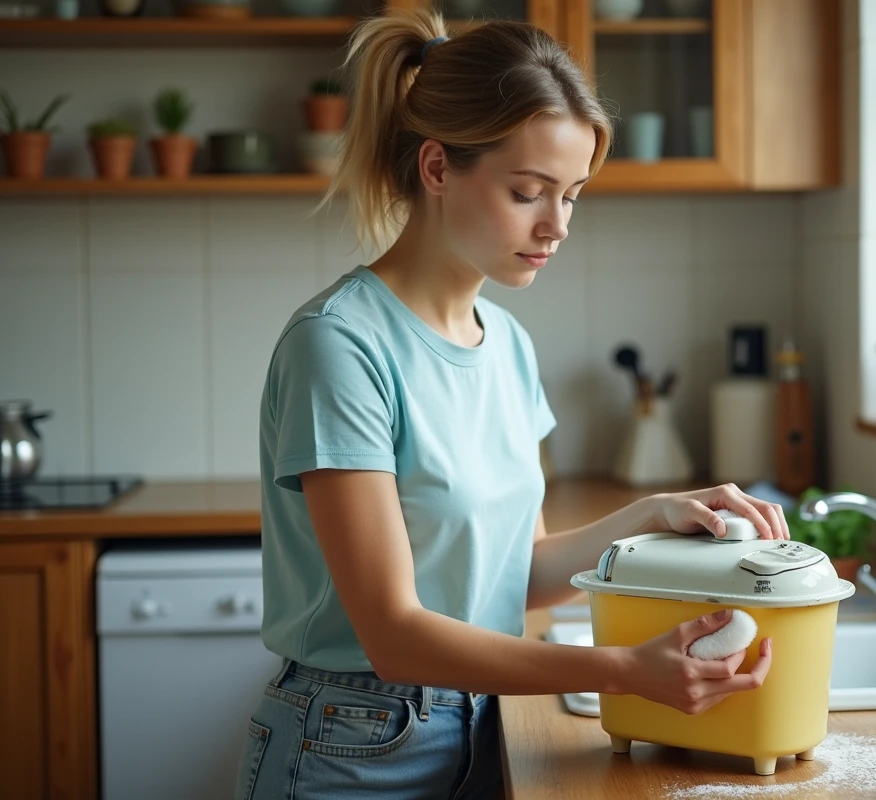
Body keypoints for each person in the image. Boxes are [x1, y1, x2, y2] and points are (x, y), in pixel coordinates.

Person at [235, 8, 788, 799]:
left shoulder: (508, 343)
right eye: (528, 191)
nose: (557, 225)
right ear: (436, 168)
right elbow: (394, 635)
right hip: (350, 746)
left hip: (479, 725)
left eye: (572, 195)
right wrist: (625, 673)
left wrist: (651, 513)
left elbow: (513, 573)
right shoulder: (339, 345)